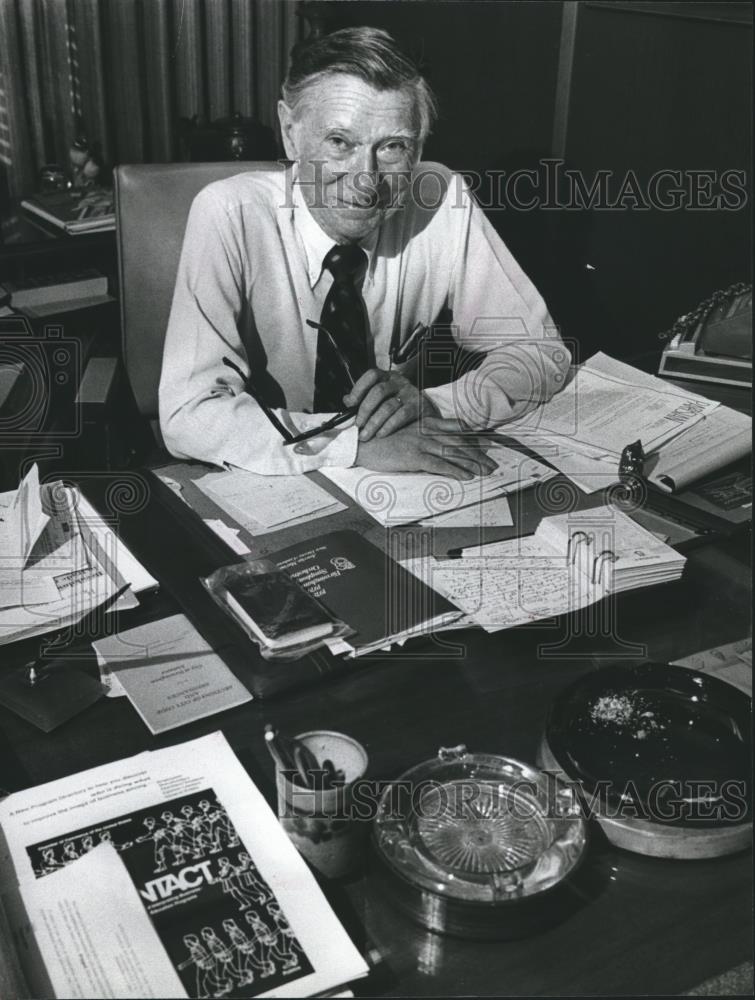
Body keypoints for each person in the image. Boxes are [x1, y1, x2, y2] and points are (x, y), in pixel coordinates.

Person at [160, 27, 570, 479]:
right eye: (340, 142)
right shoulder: (228, 214)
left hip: (400, 484)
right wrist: (349, 445)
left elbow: (541, 353)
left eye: (393, 147)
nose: (365, 178)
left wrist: (435, 403)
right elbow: (188, 415)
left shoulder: (441, 198)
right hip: (268, 479)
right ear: (290, 133)